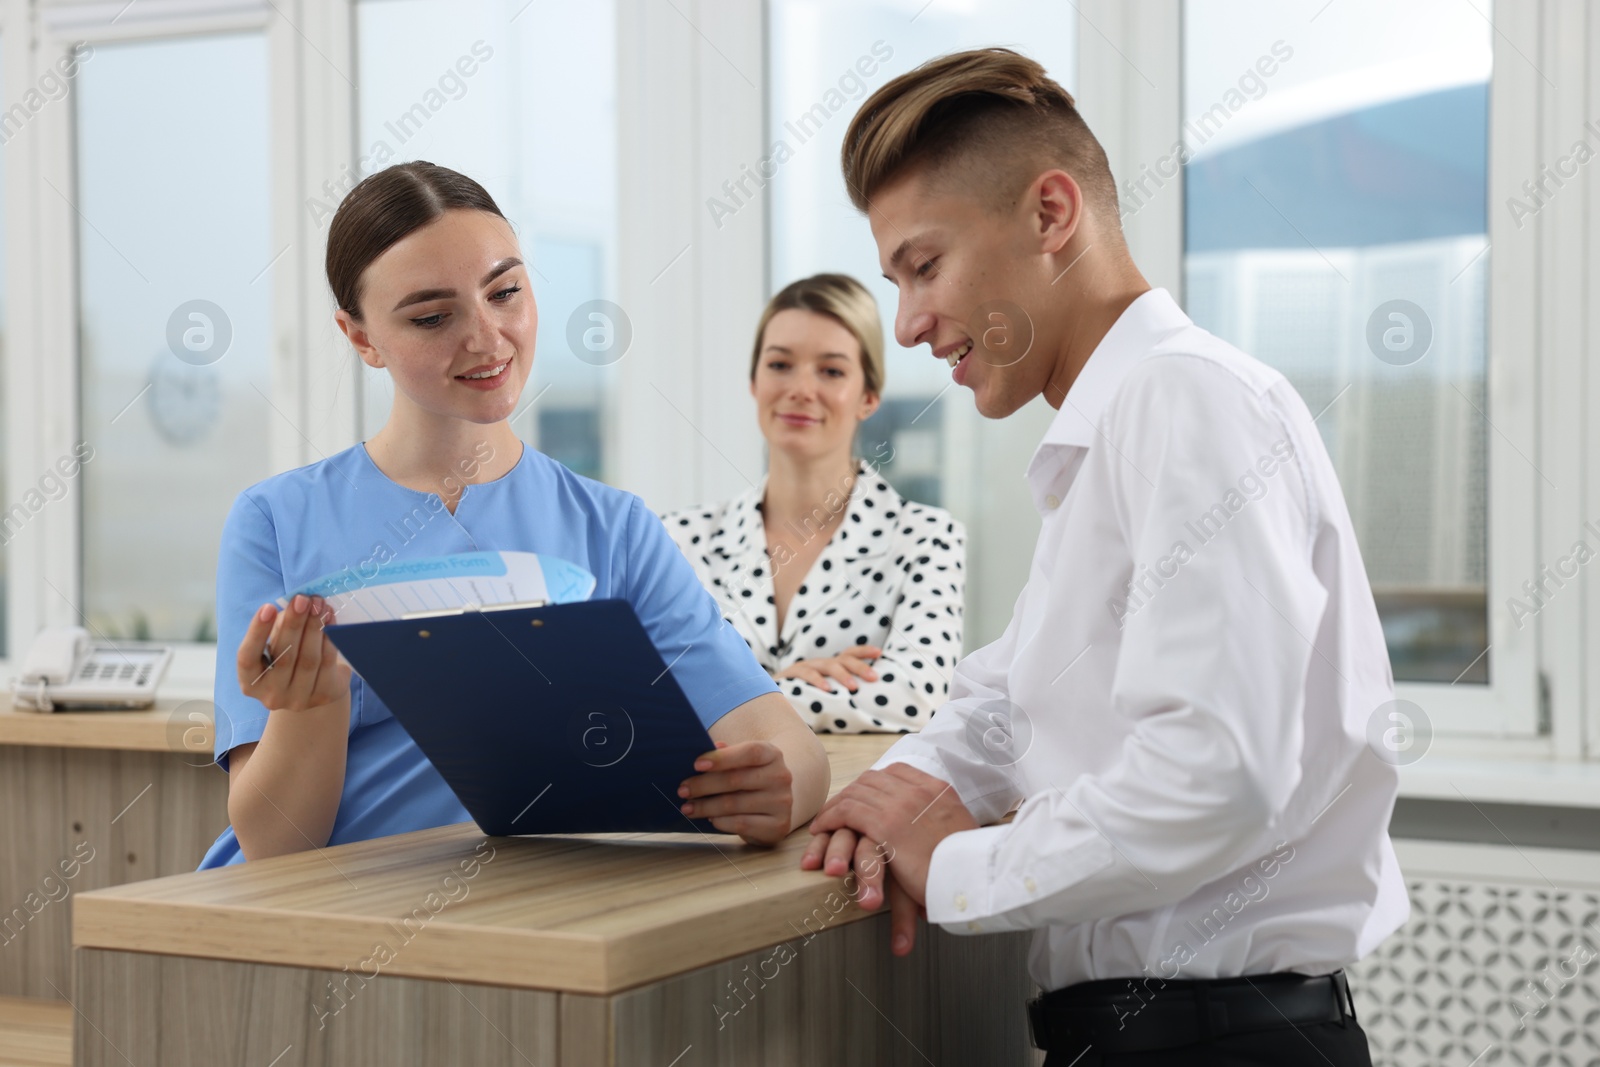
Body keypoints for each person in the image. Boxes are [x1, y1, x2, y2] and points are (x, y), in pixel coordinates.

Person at [801, 49, 1407, 1066]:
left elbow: (1216, 773)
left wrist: (952, 861)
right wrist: (892, 789)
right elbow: (1009, 699)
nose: (905, 323)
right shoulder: (1112, 432)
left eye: (922, 265)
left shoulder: (1182, 400)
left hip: (1214, 1043)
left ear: (1049, 214)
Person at [199, 161, 828, 868]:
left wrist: (780, 790)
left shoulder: (613, 528)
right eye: (433, 316)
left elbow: (790, 746)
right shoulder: (276, 519)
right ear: (361, 337)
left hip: (531, 915)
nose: (487, 337)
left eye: (505, 292)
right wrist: (310, 709)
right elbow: (275, 842)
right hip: (321, 919)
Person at [663, 273, 965, 734]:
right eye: (780, 365)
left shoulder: (926, 538)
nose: (801, 389)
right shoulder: (679, 539)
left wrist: (749, 696)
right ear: (754, 382)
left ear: (868, 396)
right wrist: (780, 690)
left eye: (831, 371)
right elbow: (646, 696)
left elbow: (918, 695)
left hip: (858, 801)